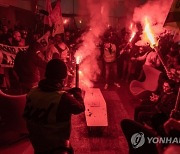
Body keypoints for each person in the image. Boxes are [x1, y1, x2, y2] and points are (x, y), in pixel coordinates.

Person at [23, 59, 85, 154]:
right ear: (63, 78)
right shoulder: (63, 98)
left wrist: (66, 91)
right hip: (55, 145)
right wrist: (78, 94)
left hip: (36, 142)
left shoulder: (33, 91)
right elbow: (80, 108)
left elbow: (49, 93)